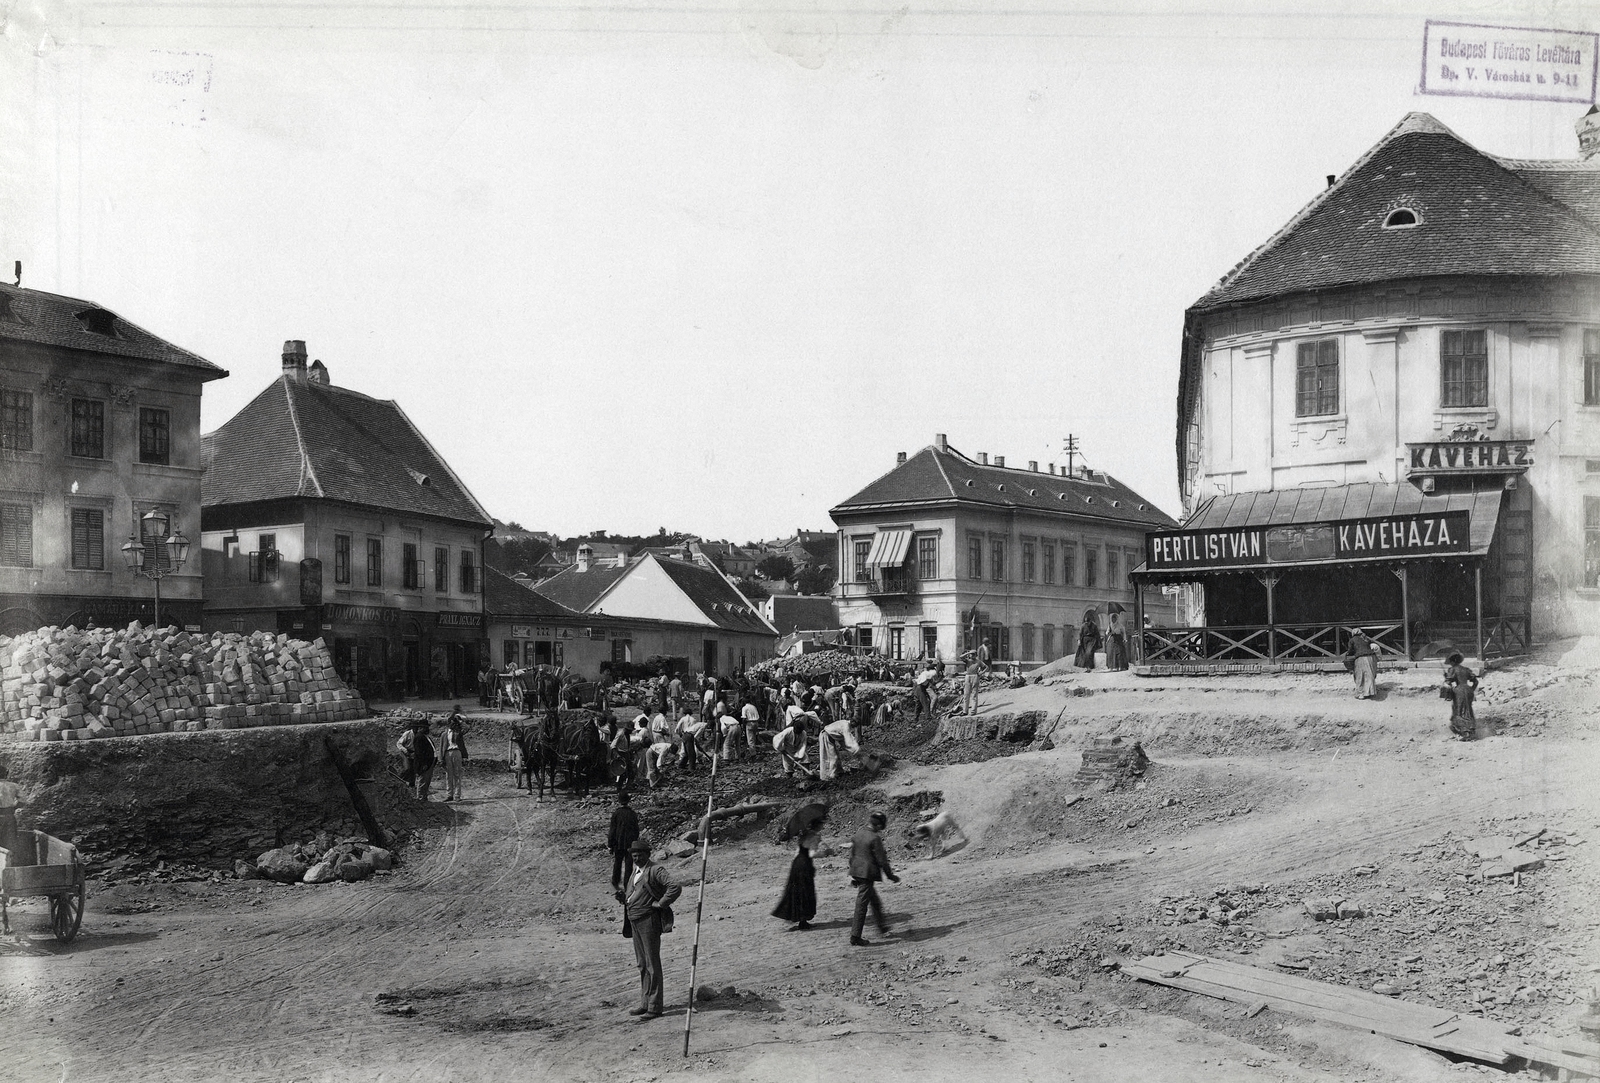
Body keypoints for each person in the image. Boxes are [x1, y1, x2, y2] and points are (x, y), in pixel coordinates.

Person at [619, 838, 680, 1019]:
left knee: (652, 964)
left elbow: (674, 886)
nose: (636, 858)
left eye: (640, 855)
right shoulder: (634, 872)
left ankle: (655, 1007)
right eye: (634, 855)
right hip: (635, 922)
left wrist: (661, 903)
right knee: (642, 964)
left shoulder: (655, 870)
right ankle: (645, 1003)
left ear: (648, 855)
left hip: (648, 921)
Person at [848, 812, 899, 946]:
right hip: (867, 874)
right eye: (880, 827)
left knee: (875, 902)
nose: (880, 830)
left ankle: (882, 927)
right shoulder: (875, 838)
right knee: (862, 904)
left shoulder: (859, 833)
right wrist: (890, 876)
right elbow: (882, 860)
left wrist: (854, 875)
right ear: (878, 825)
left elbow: (852, 856)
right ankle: (855, 936)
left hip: (857, 871)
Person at [771, 830, 819, 931]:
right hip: (804, 865)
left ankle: (800, 919)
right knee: (806, 892)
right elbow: (812, 854)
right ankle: (803, 921)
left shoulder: (803, 836)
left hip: (796, 864)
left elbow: (797, 852)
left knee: (797, 892)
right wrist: (825, 852)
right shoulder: (814, 836)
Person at [608, 790, 641, 890]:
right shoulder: (632, 814)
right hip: (630, 843)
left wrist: (610, 844)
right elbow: (636, 830)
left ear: (619, 801)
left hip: (618, 843)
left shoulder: (616, 814)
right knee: (629, 864)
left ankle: (615, 881)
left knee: (617, 862)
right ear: (628, 801)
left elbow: (612, 830)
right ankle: (627, 884)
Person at [396, 718, 437, 800]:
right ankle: (419, 796)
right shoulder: (415, 736)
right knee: (409, 770)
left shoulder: (424, 736)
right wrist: (423, 763)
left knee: (424, 779)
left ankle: (422, 796)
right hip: (408, 753)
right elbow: (419, 752)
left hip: (420, 757)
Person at [1443, 652, 1480, 740]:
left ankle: (1464, 732)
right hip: (1468, 690)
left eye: (1451, 662)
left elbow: (1448, 683)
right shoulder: (1466, 669)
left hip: (1459, 690)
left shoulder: (1452, 669)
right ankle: (1471, 730)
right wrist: (1471, 689)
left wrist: (1446, 678)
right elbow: (1476, 681)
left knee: (1459, 710)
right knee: (1468, 709)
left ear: (1452, 661)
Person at [440, 708, 469, 801]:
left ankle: (457, 795)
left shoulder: (458, 733)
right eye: (451, 722)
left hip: (457, 752)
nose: (452, 724)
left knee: (457, 774)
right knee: (449, 775)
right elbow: (441, 747)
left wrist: (460, 721)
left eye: (454, 722)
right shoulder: (444, 734)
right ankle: (449, 795)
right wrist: (441, 759)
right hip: (447, 753)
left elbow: (466, 728)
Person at [1346, 631, 1378, 699]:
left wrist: (1349, 653)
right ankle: (1369, 692)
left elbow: (1350, 651)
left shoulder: (1352, 640)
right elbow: (1375, 644)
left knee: (1360, 675)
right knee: (1369, 675)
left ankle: (1361, 694)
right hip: (1371, 657)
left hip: (1360, 658)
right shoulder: (1365, 638)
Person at [0, 762, 22, 858]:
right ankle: (10, 865)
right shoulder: (14, 786)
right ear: (6, 774)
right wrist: (13, 807)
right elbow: (23, 800)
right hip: (9, 816)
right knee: (10, 841)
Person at [960, 648, 981, 716]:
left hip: (975, 676)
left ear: (976, 655)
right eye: (971, 655)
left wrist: (980, 673)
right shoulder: (968, 661)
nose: (972, 656)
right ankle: (965, 711)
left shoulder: (978, 661)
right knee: (966, 694)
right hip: (968, 676)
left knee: (974, 695)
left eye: (973, 654)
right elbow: (961, 657)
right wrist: (967, 653)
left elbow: (986, 667)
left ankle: (973, 711)